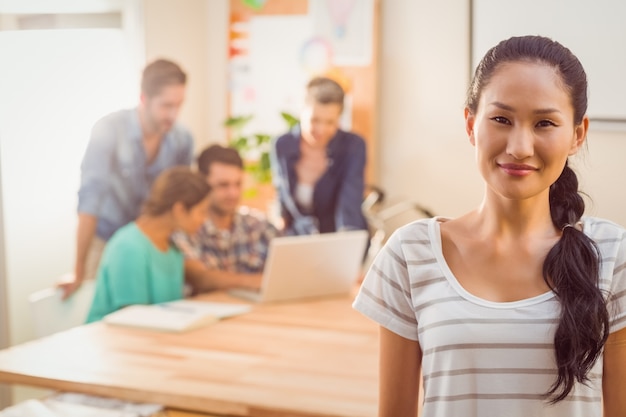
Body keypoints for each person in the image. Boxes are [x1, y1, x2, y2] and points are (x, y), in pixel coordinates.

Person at [353, 35, 626, 416]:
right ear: (470, 124)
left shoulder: (613, 255)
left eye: (544, 123)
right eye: (501, 119)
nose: (519, 146)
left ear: (577, 135)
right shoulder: (410, 253)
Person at [61, 58, 194, 299]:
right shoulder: (109, 129)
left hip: (150, 244)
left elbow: (179, 202)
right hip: (106, 240)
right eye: (166, 106)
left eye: (179, 105)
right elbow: (90, 199)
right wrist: (78, 269)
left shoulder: (182, 140)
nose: (174, 114)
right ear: (144, 99)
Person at [86, 166, 210, 323]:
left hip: (157, 337)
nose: (205, 220)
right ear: (179, 209)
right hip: (112, 340)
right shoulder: (128, 247)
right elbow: (133, 319)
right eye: (202, 212)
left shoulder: (173, 247)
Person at [172, 144, 280, 293]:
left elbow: (288, 267)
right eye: (223, 185)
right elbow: (200, 278)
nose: (233, 193)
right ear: (203, 183)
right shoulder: (187, 229)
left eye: (238, 184)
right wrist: (259, 281)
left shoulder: (259, 225)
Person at [271, 76, 368, 235]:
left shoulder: (353, 146)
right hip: (297, 238)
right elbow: (281, 192)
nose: (321, 130)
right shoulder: (282, 145)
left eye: (330, 122)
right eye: (314, 120)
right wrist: (279, 220)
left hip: (337, 236)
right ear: (301, 112)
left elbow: (349, 205)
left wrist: (347, 243)